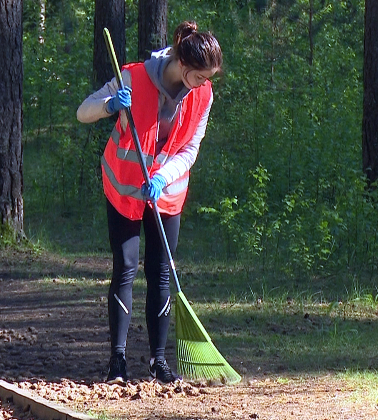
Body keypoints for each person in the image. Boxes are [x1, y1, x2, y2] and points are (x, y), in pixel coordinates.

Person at [77, 20, 222, 384]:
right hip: (124, 187)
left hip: (166, 192)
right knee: (125, 267)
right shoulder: (134, 77)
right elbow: (83, 111)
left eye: (208, 79)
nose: (203, 84)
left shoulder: (203, 95)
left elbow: (190, 150)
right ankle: (117, 361)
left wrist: (162, 177)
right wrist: (110, 105)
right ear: (182, 64)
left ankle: (159, 362)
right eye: (200, 76)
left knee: (160, 272)